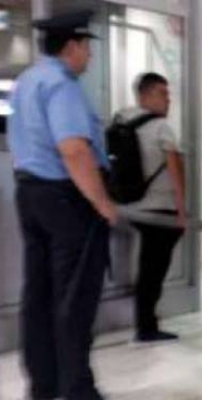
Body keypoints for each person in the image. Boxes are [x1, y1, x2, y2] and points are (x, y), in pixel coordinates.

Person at [8, 10, 115, 400]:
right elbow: (73, 149)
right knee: (73, 298)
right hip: (67, 200)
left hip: (30, 194)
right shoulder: (62, 84)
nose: (89, 55)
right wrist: (102, 203)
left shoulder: (28, 81)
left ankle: (44, 384)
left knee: (39, 295)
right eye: (87, 46)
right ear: (72, 46)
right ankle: (77, 389)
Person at [114, 72, 186, 343]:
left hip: (131, 205)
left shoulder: (121, 120)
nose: (168, 100)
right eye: (162, 93)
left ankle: (145, 322)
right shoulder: (161, 127)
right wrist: (182, 210)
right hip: (160, 208)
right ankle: (146, 326)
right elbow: (175, 170)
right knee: (153, 270)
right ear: (144, 95)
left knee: (147, 267)